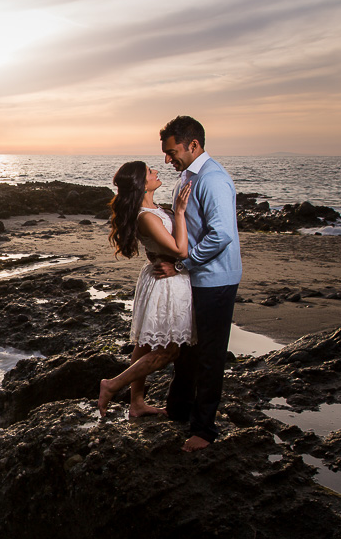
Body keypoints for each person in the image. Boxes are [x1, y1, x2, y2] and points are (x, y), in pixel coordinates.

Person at [154, 116, 242, 452]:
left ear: (194, 145)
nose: (167, 159)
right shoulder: (188, 176)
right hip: (196, 277)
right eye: (165, 153)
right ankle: (178, 411)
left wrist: (182, 264)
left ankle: (204, 431)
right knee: (187, 349)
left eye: (172, 151)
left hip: (215, 279)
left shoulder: (213, 179)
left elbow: (221, 235)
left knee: (209, 355)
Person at [98, 161, 195, 419]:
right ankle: (113, 384)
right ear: (142, 183)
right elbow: (181, 250)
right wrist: (181, 213)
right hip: (166, 282)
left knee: (143, 344)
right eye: (150, 172)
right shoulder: (147, 217)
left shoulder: (154, 209)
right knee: (170, 350)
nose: (156, 172)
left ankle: (136, 403)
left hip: (163, 277)